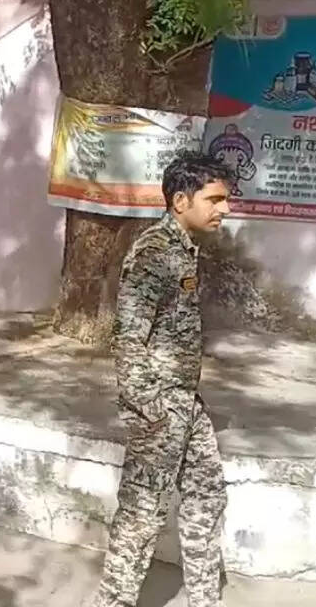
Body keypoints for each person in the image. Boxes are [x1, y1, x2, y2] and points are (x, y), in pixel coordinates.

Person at [88, 152, 233, 607]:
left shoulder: (184, 248)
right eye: (214, 200)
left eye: (225, 199)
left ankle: (205, 597)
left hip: (185, 402)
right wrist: (148, 409)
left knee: (207, 495)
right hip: (160, 407)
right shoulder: (154, 253)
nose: (225, 209)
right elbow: (128, 337)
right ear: (180, 201)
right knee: (142, 512)